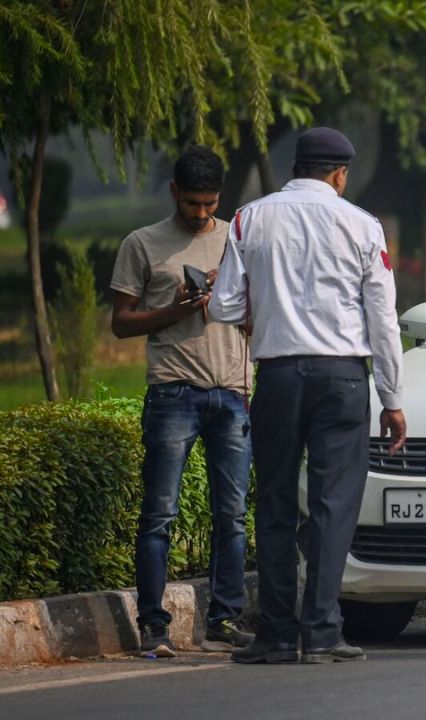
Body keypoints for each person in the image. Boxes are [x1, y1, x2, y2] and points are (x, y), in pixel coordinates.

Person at [209, 127, 407, 664]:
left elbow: (223, 306)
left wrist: (268, 311)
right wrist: (391, 396)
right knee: (332, 504)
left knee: (274, 500)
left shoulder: (250, 218)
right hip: (342, 378)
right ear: (340, 173)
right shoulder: (362, 225)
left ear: (296, 167)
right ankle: (321, 630)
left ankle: (276, 633)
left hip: (277, 376)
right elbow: (383, 319)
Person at [109, 146, 254, 657]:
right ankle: (154, 625)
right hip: (173, 390)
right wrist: (176, 309)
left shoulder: (238, 239)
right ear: (174, 192)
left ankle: (224, 620)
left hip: (232, 391)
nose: (201, 213)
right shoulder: (142, 243)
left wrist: (227, 296)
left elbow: (258, 313)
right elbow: (121, 322)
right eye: (193, 203)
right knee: (160, 513)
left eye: (209, 203)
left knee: (232, 514)